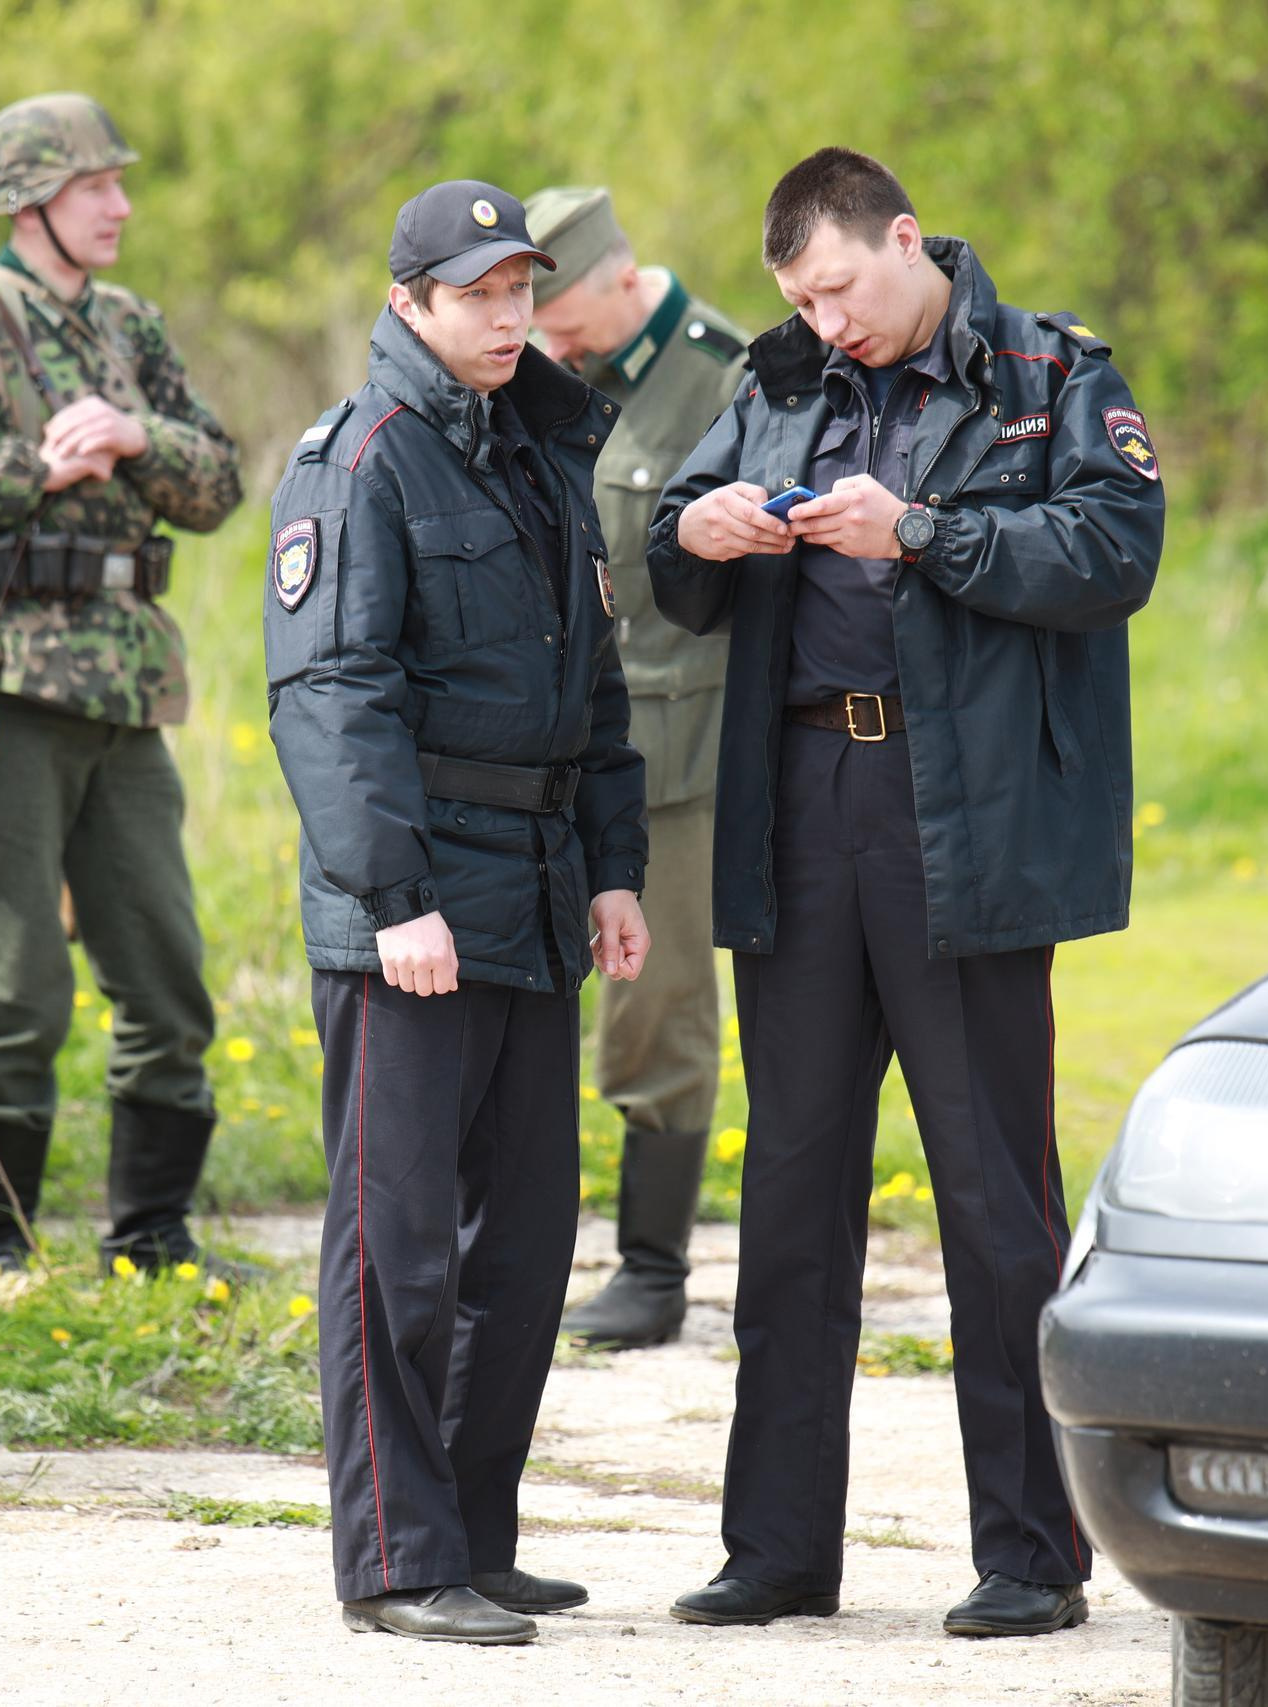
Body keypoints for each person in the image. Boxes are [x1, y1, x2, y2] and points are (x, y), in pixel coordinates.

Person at [646, 148, 1164, 1639]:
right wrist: (701, 526)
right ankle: (779, 1547)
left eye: (838, 286)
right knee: (792, 1189)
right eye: (800, 298)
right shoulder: (780, 378)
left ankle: (1027, 1550)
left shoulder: (1047, 372)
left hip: (966, 822)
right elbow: (674, 551)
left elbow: (1114, 548)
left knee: (995, 1196)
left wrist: (923, 532)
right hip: (802, 811)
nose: (825, 318)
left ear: (905, 239)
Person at [264, 181, 650, 1646]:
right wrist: (391, 898)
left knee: (526, 1240)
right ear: (411, 300)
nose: (507, 315)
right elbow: (329, 698)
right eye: (478, 293)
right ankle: (395, 1556)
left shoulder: (539, 449)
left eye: (520, 289)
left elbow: (593, 691)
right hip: (415, 910)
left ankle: (474, 1533)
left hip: (540, 892)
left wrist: (616, 867)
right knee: (398, 1241)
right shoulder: (360, 460)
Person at [0, 93, 245, 1286]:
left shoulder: (131, 327)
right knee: (18, 992)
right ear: (30, 204)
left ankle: (151, 1243)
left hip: (128, 692)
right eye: (92, 187)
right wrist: (32, 467)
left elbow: (218, 481)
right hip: (6, 687)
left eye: (117, 183)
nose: (119, 204)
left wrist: (134, 439)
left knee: (167, 983)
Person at [524, 186, 747, 1351]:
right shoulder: (549, 370)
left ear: (620, 277)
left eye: (560, 322)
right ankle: (513, 1243)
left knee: (654, 1005)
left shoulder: (726, 377)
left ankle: (651, 1268)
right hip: (541, 746)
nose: (546, 348)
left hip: (671, 752)